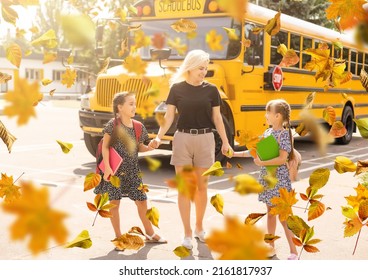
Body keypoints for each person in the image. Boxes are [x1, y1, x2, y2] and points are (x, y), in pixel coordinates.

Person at [148, 50, 232, 250]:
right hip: (182, 139)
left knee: (202, 188)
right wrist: (159, 137)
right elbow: (168, 118)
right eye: (201, 68)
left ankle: (199, 228)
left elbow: (218, 118)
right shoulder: (176, 89)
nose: (204, 72)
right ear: (190, 67)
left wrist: (226, 142)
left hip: (205, 139)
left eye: (206, 68)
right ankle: (186, 233)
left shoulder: (212, 90)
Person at [94, 91, 166, 250]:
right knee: (114, 203)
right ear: (120, 107)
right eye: (131, 103)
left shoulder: (138, 126)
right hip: (115, 172)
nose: (134, 106)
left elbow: (140, 147)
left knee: (142, 201)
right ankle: (119, 238)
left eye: (135, 103)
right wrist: (107, 168)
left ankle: (149, 233)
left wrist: (150, 147)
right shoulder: (113, 125)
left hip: (133, 171)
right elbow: (105, 147)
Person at [229, 99, 298, 260]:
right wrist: (235, 154)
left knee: (283, 217)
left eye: (268, 112)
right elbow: (255, 152)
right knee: (271, 214)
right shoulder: (267, 133)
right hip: (268, 180)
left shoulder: (284, 135)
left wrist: (262, 163)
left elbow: (282, 159)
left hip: (279, 181)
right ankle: (270, 246)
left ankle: (294, 251)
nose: (265, 115)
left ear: (277, 116)